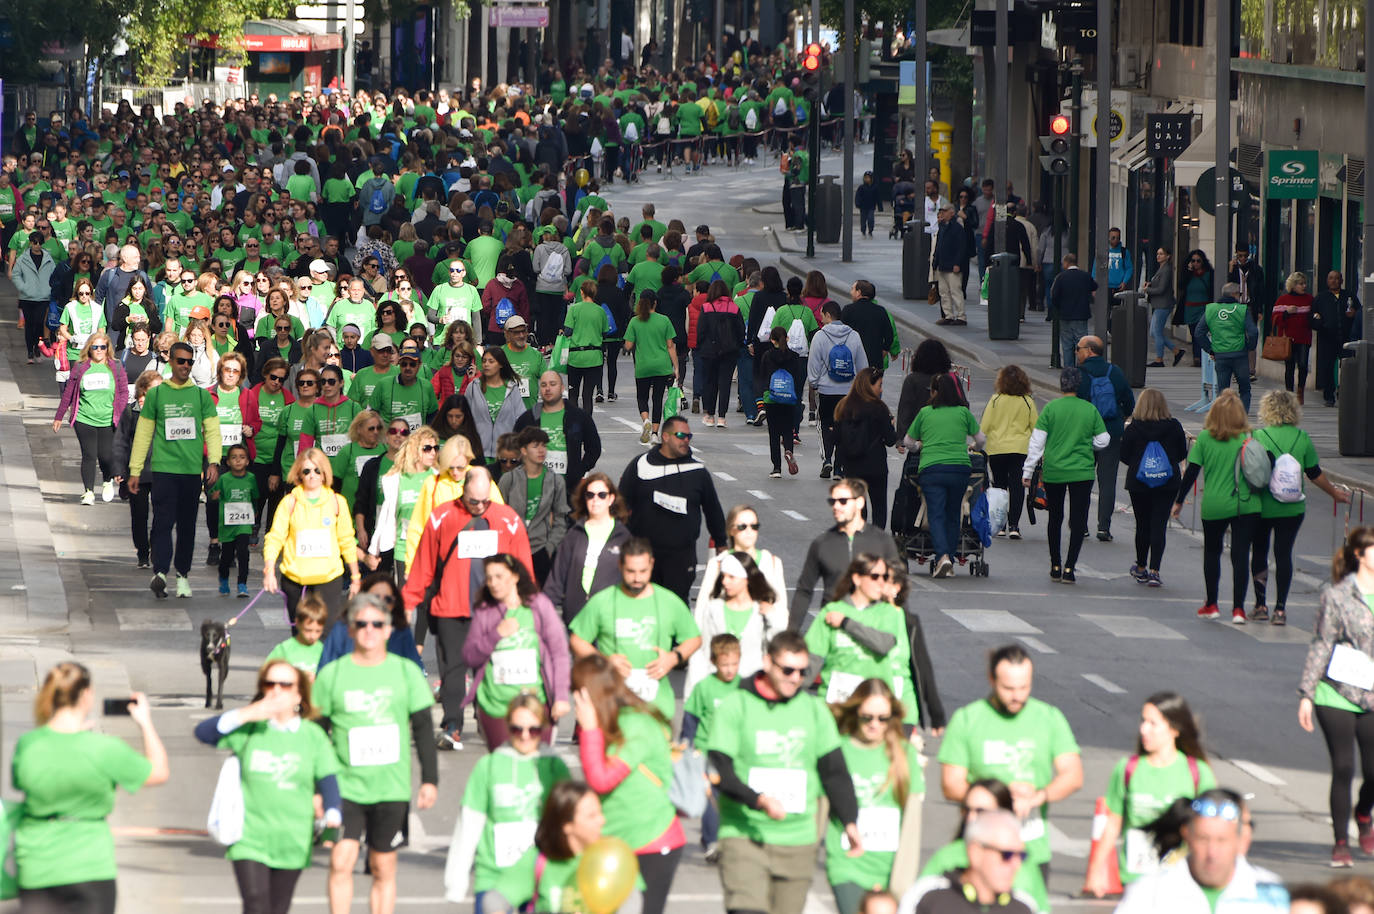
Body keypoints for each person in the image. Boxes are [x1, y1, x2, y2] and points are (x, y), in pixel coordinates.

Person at [707, 631, 863, 914]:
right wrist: (759, 800)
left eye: (803, 672)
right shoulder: (736, 705)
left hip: (797, 840)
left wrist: (850, 820)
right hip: (745, 836)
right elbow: (721, 770)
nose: (795, 678)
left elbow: (834, 772)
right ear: (768, 662)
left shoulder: (815, 710)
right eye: (788, 669)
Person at [314, 594, 438, 914]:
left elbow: (424, 728)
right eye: (362, 624)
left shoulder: (406, 672)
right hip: (345, 788)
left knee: (383, 867)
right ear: (350, 630)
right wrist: (316, 788)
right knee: (341, 862)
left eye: (377, 624)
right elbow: (314, 736)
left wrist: (430, 780)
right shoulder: (332, 675)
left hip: (390, 788)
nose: (369, 630)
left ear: (388, 630)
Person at [13, 663, 169, 913]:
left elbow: (20, 781)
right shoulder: (104, 749)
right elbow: (159, 772)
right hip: (90, 866)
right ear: (86, 695)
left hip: (36, 865)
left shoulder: (28, 745)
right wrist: (145, 722)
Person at [193, 658, 341, 914]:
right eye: (270, 683)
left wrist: (332, 812)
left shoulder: (312, 736)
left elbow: (328, 778)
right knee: (255, 902)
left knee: (278, 908)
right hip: (250, 837)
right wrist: (247, 713)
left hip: (292, 837)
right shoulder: (250, 729)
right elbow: (203, 733)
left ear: (299, 695)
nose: (276, 690)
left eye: (285, 685)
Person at [402, 467, 533, 750]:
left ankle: (490, 720)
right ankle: (452, 726)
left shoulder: (507, 519)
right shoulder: (442, 517)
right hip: (451, 607)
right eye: (474, 501)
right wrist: (408, 602)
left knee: (493, 669)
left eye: (485, 500)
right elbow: (424, 564)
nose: (480, 506)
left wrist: (527, 607)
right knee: (452, 670)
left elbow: (523, 567)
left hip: (494, 611)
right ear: (463, 492)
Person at [939, 645, 1083, 887]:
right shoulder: (968, 719)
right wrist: (998, 799)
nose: (1017, 696)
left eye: (1024, 687)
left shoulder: (1048, 718)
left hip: (1031, 851)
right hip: (981, 851)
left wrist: (1038, 796)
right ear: (991, 679)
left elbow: (1073, 775)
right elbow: (950, 785)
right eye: (1008, 688)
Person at [571, 654, 684, 914]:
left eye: (577, 694)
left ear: (589, 694)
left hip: (652, 840)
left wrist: (589, 731)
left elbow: (601, 780)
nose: (574, 702)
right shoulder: (609, 722)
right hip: (616, 842)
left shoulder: (635, 724)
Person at [443, 694, 571, 910]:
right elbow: (469, 824)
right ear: (508, 727)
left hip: (539, 878)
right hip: (494, 878)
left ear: (544, 728)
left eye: (534, 730)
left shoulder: (555, 768)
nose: (525, 736)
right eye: (517, 729)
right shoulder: (489, 766)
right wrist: (456, 881)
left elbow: (570, 826)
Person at [1084, 693, 1218, 896]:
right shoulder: (1128, 769)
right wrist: (1095, 873)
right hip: (1135, 882)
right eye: (1143, 721)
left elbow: (1213, 829)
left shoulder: (1197, 773)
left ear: (1174, 729)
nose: (1143, 729)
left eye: (1153, 724)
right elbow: (1112, 825)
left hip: (1181, 886)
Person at [1298, 526, 1374, 867]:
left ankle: (1363, 814)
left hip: (1372, 694)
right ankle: (1341, 842)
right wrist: (1307, 693)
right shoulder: (1337, 595)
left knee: (1372, 771)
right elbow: (1322, 644)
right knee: (1343, 766)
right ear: (1359, 555)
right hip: (1337, 691)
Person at [569, 536, 702, 721]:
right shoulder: (603, 601)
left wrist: (673, 658)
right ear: (620, 565)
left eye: (643, 571)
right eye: (631, 572)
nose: (637, 578)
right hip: (613, 710)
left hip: (657, 710)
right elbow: (577, 639)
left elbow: (694, 638)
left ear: (652, 564)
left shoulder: (668, 601)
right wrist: (604, 661)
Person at [128, 339, 222, 599]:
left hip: (191, 472)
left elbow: (213, 430)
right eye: (180, 361)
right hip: (163, 470)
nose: (185, 366)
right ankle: (160, 572)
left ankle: (182, 575)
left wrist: (213, 461)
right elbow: (144, 433)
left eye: (190, 362)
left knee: (187, 527)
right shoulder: (158, 394)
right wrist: (135, 470)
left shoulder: (201, 395)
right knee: (162, 523)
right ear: (170, 361)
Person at [1249, 389, 1349, 624]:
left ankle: (1261, 604)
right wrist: (1335, 493)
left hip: (1262, 506)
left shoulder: (1258, 436)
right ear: (1293, 410)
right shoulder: (1302, 437)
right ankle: (1281, 610)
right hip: (1292, 509)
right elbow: (1314, 474)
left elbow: (1250, 471)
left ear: (1267, 410)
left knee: (1260, 553)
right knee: (1283, 555)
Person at [827, 680, 922, 914]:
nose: (874, 725)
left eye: (882, 718)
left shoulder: (904, 754)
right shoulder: (837, 750)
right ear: (855, 712)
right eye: (866, 717)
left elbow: (912, 820)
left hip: (889, 866)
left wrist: (903, 879)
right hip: (847, 865)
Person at [1113, 788, 1289, 912]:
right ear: (1187, 835)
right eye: (1203, 839)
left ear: (1239, 841)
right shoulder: (1149, 892)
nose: (1212, 853)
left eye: (1222, 841)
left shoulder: (1271, 893)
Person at [462, 553, 573, 748]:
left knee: (538, 769)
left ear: (514, 577)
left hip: (535, 703)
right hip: (496, 706)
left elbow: (559, 653)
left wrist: (561, 696)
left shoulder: (538, 606)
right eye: (489, 578)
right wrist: (496, 635)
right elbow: (470, 656)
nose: (493, 583)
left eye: (499, 577)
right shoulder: (485, 610)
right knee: (504, 771)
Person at [1170, 391, 1262, 623]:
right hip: (1247, 505)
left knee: (1212, 553)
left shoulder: (1205, 439)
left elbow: (1191, 472)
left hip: (1215, 504)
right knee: (1241, 556)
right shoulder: (1251, 436)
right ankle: (1239, 609)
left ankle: (1211, 604)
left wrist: (1179, 501)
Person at [617, 415, 727, 603]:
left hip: (681, 557)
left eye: (688, 436)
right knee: (644, 606)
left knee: (676, 606)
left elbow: (713, 511)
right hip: (644, 556)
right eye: (680, 435)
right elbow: (620, 504)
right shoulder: (641, 465)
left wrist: (722, 545)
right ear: (665, 437)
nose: (686, 440)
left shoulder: (697, 471)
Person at [1022, 367, 1109, 584]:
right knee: (1078, 519)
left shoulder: (1051, 409)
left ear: (1061, 385)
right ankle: (1070, 567)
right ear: (1079, 385)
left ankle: (1055, 565)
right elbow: (1104, 439)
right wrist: (1088, 444)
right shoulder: (1089, 409)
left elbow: (1037, 443)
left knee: (1055, 517)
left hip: (1055, 469)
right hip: (1082, 471)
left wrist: (1028, 471)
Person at [917, 779, 1048, 912]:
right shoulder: (946, 856)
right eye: (967, 810)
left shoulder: (1025, 864)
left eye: (981, 812)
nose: (971, 818)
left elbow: (1041, 909)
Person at [791, 478, 902, 630]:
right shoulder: (822, 544)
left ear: (860, 503)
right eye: (833, 501)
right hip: (832, 630)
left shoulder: (882, 542)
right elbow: (804, 591)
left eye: (843, 501)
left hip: (872, 631)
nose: (836, 506)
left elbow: (897, 589)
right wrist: (791, 633)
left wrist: (903, 637)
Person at [904, 373, 983, 576]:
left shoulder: (925, 413)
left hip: (932, 469)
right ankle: (949, 559)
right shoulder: (963, 413)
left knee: (936, 514)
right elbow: (981, 440)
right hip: (959, 469)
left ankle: (942, 558)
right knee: (953, 514)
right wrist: (972, 446)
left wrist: (921, 445)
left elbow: (908, 442)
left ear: (935, 392)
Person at [898, 809, 1035, 914]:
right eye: (1007, 855)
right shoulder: (928, 898)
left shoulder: (1024, 907)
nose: (1016, 865)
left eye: (1021, 856)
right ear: (975, 852)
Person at [543, 472, 634, 625]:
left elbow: (633, 582)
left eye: (602, 495)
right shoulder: (574, 535)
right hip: (576, 618)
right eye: (590, 495)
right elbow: (556, 580)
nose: (595, 500)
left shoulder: (623, 537)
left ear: (611, 499)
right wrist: (542, 616)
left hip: (609, 621)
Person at [1119, 388, 1189, 587]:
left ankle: (1140, 567)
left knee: (1142, 525)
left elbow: (1124, 455)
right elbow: (1181, 453)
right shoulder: (1174, 426)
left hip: (1139, 482)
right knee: (1159, 525)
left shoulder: (1133, 427)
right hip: (1167, 482)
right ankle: (1155, 570)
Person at [53, 330, 130, 506]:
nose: (99, 350)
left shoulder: (116, 366)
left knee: (105, 456)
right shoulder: (80, 367)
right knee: (89, 454)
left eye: (103, 347)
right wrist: (59, 416)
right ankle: (88, 492)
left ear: (107, 348)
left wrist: (118, 407)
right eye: (95, 347)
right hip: (84, 418)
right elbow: (69, 393)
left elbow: (124, 391)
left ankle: (107, 480)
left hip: (107, 420)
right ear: (89, 348)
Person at [1075, 335, 1136, 542]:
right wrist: (1120, 417)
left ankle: (1081, 526)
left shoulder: (1078, 374)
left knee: (1082, 480)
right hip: (1110, 432)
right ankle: (1104, 527)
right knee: (1107, 481)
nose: (1077, 352)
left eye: (1079, 348)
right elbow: (1129, 400)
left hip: (1083, 433)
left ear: (1090, 351)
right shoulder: (1115, 372)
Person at [514, 370, 603, 494]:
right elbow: (514, 448)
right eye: (544, 385)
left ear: (562, 388)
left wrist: (579, 470)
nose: (548, 388)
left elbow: (594, 448)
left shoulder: (579, 417)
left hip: (568, 487)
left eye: (552, 384)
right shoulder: (528, 419)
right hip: (535, 487)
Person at [529, 781, 612, 913]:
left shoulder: (610, 859)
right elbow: (494, 901)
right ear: (567, 825)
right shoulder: (537, 860)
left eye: (600, 812)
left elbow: (632, 897)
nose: (602, 820)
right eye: (592, 816)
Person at [808, 301, 869, 478]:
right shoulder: (854, 336)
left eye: (821, 314)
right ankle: (838, 468)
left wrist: (814, 383)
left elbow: (814, 362)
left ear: (828, 315)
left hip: (827, 390)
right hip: (848, 391)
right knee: (845, 427)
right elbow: (862, 364)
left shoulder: (820, 336)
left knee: (826, 425)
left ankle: (827, 458)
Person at [835, 368, 899, 530]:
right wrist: (891, 426)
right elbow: (890, 440)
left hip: (852, 467)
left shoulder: (843, 407)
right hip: (876, 465)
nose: (881, 389)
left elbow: (835, 438)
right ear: (869, 386)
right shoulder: (879, 408)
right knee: (879, 508)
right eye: (879, 385)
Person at [980, 365, 1037, 539]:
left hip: (997, 449)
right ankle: (1014, 525)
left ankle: (1001, 524)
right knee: (1017, 487)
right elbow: (1036, 427)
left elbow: (985, 426)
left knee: (999, 485)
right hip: (1020, 449)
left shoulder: (995, 400)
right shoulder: (1027, 401)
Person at [623, 289, 679, 444]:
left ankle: (645, 420)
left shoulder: (635, 321)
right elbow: (670, 346)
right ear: (655, 302)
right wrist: (676, 367)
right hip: (662, 366)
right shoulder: (664, 320)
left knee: (642, 397)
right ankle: (655, 433)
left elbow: (628, 345)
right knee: (658, 398)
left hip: (643, 366)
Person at [1199, 282, 1259, 413]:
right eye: (1239, 294)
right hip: (1239, 354)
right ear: (1234, 294)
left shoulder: (1211, 309)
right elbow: (1253, 332)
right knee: (1244, 389)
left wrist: (1210, 349)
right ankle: (1242, 417)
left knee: (1223, 390)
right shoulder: (1242, 310)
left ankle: (1223, 418)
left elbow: (1199, 332)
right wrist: (1250, 347)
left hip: (1220, 354)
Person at [208, 443, 259, 597]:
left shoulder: (251, 478)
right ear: (228, 462)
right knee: (227, 556)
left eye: (242, 457)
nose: (238, 461)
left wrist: (255, 512)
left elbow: (255, 496)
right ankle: (223, 578)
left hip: (244, 524)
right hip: (228, 524)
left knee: (243, 552)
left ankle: (242, 584)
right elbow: (212, 493)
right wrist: (214, 496)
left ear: (247, 461)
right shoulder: (224, 479)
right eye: (234, 458)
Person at [465, 347, 526, 464]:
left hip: (505, 454)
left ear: (501, 364)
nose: (486, 364)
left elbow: (521, 419)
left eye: (491, 361)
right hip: (478, 452)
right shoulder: (473, 387)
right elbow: (465, 417)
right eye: (484, 361)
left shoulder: (512, 388)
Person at [1312, 270, 1361, 407]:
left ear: (1342, 281)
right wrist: (1320, 323)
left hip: (1346, 338)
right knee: (1327, 368)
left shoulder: (1349, 296)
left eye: (1337, 278)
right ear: (1327, 281)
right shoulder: (1321, 298)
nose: (1334, 281)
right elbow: (1313, 318)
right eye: (1331, 278)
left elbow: (1360, 313)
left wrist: (1354, 314)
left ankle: (1345, 393)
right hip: (1327, 339)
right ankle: (1329, 396)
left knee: (1348, 367)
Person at [563, 279, 609, 412]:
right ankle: (587, 425)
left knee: (573, 394)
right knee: (587, 395)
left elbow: (568, 332)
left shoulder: (574, 309)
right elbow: (605, 333)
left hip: (576, 357)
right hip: (594, 357)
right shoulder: (600, 311)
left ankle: (573, 425)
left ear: (582, 292)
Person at [1271, 271, 1315, 401]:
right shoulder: (1283, 300)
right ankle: (1289, 393)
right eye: (1301, 284)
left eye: (1305, 283)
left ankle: (1300, 391)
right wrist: (1286, 313)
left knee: (1302, 365)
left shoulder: (1309, 299)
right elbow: (1274, 320)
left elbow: (1314, 316)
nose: (1304, 286)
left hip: (1304, 337)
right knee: (1289, 367)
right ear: (1293, 285)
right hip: (1287, 339)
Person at [1048, 253, 1097, 360]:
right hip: (1081, 315)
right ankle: (1081, 369)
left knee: (1067, 346)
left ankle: (1069, 371)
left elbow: (1054, 296)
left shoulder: (1061, 277)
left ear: (1066, 263)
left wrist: (1059, 307)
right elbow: (1094, 286)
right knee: (1082, 345)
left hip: (1066, 315)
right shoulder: (1085, 276)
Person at [1144, 247, 1183, 367]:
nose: (1158, 256)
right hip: (1158, 304)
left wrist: (1147, 289)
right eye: (1157, 253)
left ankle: (1159, 359)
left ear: (1168, 256)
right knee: (1154, 332)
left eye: (1161, 254)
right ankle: (1176, 351)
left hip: (1163, 304)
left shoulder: (1166, 270)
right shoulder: (1161, 269)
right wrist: (1150, 284)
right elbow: (1158, 284)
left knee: (1156, 331)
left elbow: (1161, 289)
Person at [932, 202, 969, 326]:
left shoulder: (957, 228)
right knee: (943, 291)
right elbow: (938, 246)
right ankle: (948, 315)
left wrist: (957, 263)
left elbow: (961, 247)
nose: (942, 213)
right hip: (942, 264)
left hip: (953, 266)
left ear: (952, 213)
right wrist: (935, 262)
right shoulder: (942, 227)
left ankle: (961, 316)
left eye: (945, 211)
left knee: (955, 290)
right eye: (941, 211)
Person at [1179, 250, 1215, 367]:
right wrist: (1188, 272)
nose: (1195, 263)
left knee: (1201, 332)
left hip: (1203, 308)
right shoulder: (1188, 274)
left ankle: (1205, 356)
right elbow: (1181, 286)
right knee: (1194, 334)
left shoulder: (1209, 274)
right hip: (1190, 309)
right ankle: (1196, 358)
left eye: (1198, 261)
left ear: (1203, 261)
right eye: (1193, 261)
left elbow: (1212, 290)